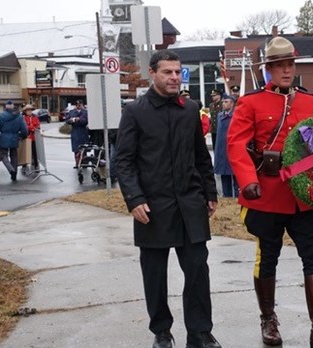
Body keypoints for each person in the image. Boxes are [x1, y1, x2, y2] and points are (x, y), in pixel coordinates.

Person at [226, 36, 313, 348]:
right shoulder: (250, 102)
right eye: (280, 65)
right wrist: (247, 179)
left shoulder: (310, 102)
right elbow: (236, 144)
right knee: (268, 259)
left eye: (290, 64)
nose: (287, 70)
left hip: (303, 196)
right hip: (266, 193)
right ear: (269, 69)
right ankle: (268, 321)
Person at [115, 50, 222, 348]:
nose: (175, 77)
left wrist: (210, 192)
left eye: (178, 72)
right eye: (168, 72)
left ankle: (200, 332)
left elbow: (201, 156)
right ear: (153, 73)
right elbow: (123, 161)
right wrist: (134, 199)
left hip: (190, 206)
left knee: (198, 270)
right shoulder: (135, 111)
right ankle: (162, 331)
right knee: (155, 275)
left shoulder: (190, 109)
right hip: (152, 207)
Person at [0, 100, 28, 181]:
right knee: (14, 156)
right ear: (13, 106)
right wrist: (21, 136)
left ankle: (11, 170)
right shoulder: (19, 116)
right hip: (15, 138)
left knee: (3, 156)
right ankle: (14, 174)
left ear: (5, 107)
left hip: (4, 138)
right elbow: (25, 130)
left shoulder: (1, 116)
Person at [214, 94, 239, 197]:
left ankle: (237, 197)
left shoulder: (236, 116)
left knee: (236, 176)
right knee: (224, 175)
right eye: (223, 102)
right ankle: (226, 197)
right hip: (221, 151)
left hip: (233, 150)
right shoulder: (220, 116)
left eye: (226, 102)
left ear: (232, 103)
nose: (223, 104)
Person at [65, 100, 89, 167]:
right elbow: (67, 121)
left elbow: (86, 121)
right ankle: (77, 162)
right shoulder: (71, 112)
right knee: (76, 148)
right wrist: (71, 120)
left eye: (80, 104)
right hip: (75, 131)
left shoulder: (85, 112)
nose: (79, 106)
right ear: (76, 105)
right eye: (78, 105)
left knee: (84, 148)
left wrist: (79, 120)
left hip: (83, 131)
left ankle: (84, 162)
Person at [21, 104, 40, 174]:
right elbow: (24, 126)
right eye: (28, 110)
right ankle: (24, 166)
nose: (29, 112)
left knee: (34, 152)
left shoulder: (35, 117)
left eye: (30, 110)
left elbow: (37, 125)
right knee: (25, 153)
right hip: (26, 138)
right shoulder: (23, 118)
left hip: (33, 138)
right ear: (25, 111)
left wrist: (34, 128)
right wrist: (31, 128)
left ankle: (36, 165)